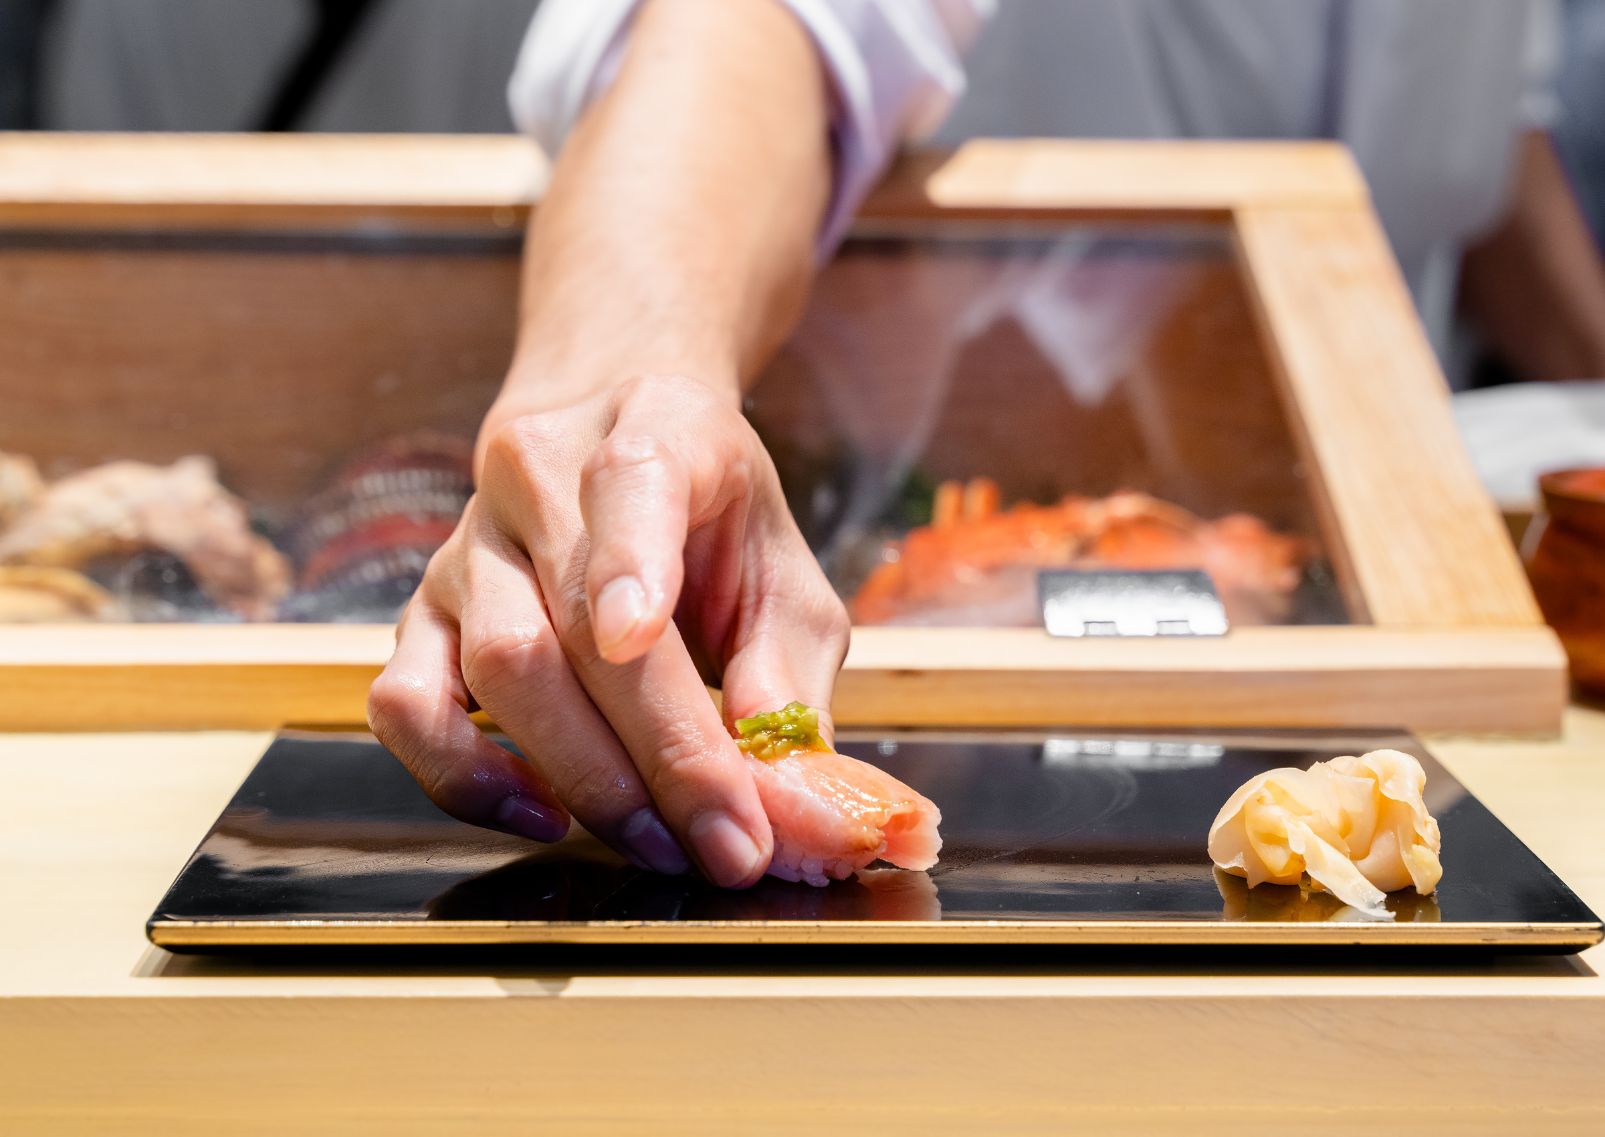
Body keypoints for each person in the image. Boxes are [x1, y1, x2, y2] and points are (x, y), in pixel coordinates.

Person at [369, 0, 1605, 885]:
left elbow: (1491, 148)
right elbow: (735, 35)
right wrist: (622, 395)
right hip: (865, 552)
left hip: (1361, 572)